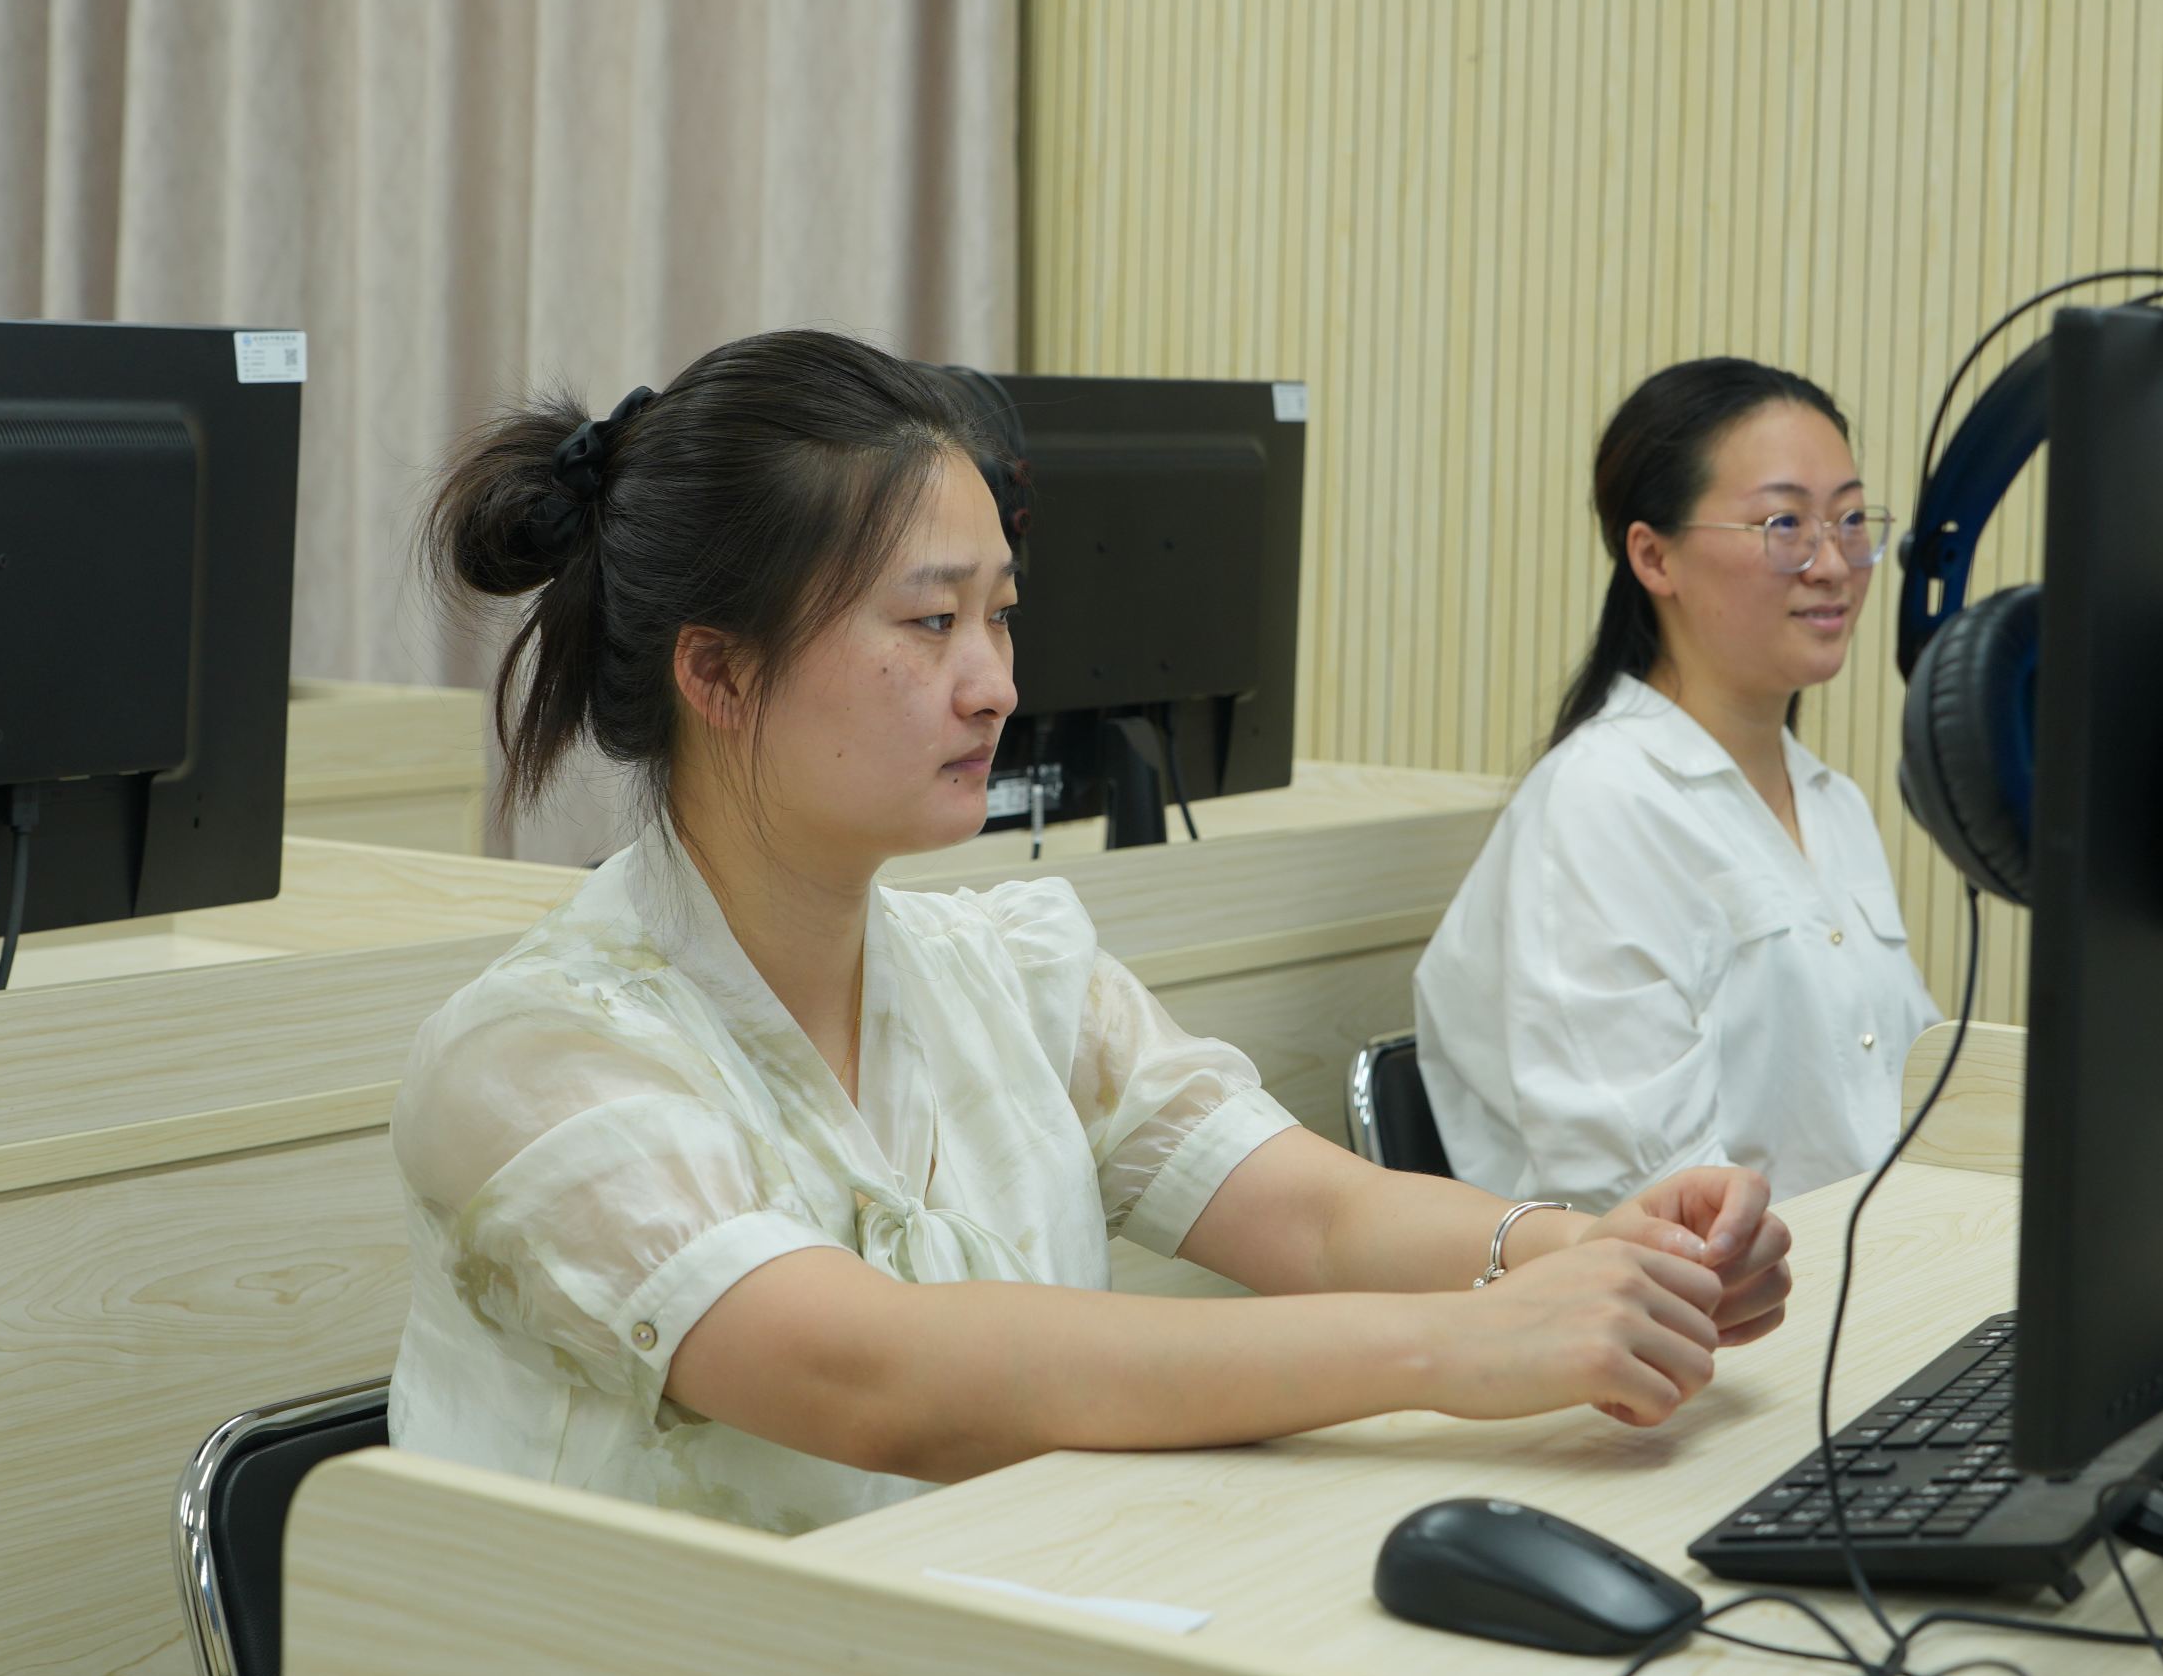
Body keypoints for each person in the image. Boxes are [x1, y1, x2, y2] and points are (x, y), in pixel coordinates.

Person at [387, 330, 1793, 1532]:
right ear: (719, 673)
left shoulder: (1013, 972)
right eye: (929, 623)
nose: (995, 684)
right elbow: (880, 1379)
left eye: (999, 615)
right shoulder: (535, 1057)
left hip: (991, 1637)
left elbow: (1316, 1216)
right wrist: (1457, 1346)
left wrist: (1590, 1255)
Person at [1409, 358, 1943, 1209]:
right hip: (1711, 1287)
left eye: (1850, 520)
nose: (1833, 564)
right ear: (1654, 557)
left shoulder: (1832, 802)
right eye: (1784, 524)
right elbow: (1650, 1197)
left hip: (1877, 1265)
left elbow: (1907, 1104)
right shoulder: (1600, 805)